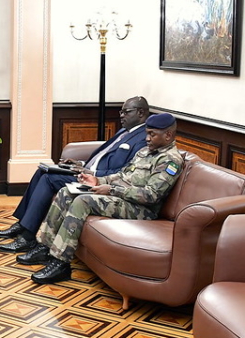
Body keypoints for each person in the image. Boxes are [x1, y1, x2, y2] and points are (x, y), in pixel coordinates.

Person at [20, 113, 183, 284]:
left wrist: (112, 190)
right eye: (147, 133)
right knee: (66, 192)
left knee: (83, 202)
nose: (147, 138)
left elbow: (151, 195)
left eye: (152, 134)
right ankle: (45, 247)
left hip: (142, 209)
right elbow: (122, 175)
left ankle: (61, 263)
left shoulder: (170, 160)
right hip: (122, 198)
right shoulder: (145, 152)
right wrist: (97, 180)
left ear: (168, 135)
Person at [0, 96, 151, 253]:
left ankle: (28, 237)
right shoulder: (124, 131)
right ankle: (22, 224)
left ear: (140, 112)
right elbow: (102, 156)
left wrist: (91, 173)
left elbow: (124, 172)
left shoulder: (144, 139)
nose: (121, 115)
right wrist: (80, 164)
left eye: (126, 112)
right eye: (121, 111)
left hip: (98, 180)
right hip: (86, 171)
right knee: (42, 170)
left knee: (49, 179)